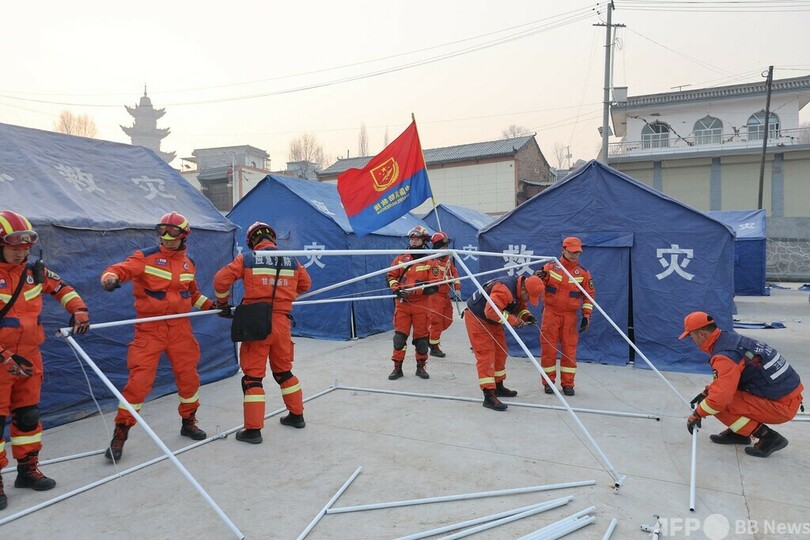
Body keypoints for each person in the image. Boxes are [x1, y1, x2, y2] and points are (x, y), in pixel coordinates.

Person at [100, 211, 215, 462]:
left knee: (189, 379)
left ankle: (188, 421)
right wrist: (110, 278)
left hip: (180, 329)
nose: (166, 237)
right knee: (138, 383)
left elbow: (193, 294)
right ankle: (121, 433)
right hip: (149, 330)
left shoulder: (189, 264)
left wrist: (215, 306)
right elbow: (119, 269)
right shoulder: (145, 257)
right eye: (162, 230)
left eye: (172, 232)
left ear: (184, 235)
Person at [0, 210, 90, 510]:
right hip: (1, 360)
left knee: (28, 416)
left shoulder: (33, 272)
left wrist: (78, 309)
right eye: (14, 246)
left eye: (25, 247)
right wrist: (4, 357)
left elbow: (63, 288)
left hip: (30, 357)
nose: (21, 252)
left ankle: (27, 470)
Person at [213, 222, 311, 444]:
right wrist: (286, 294)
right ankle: (297, 416)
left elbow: (220, 279)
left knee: (253, 378)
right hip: (282, 324)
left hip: (256, 325)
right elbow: (306, 284)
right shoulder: (292, 261)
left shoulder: (248, 258)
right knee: (284, 372)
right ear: (273, 239)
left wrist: (222, 303)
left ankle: (253, 431)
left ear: (252, 241)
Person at [681, 311, 803, 458]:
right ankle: (740, 433)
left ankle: (769, 437)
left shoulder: (724, 355)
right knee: (714, 397)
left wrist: (698, 413)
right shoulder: (729, 340)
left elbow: (720, 398)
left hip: (782, 405)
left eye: (691, 336)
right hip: (786, 396)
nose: (691, 340)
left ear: (701, 334)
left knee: (717, 405)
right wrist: (706, 393)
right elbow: (729, 380)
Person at [465, 275, 544, 411]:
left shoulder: (518, 289)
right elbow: (490, 311)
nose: (529, 301)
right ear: (524, 289)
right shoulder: (504, 289)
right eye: (529, 297)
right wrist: (514, 321)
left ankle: (498, 386)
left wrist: (526, 316)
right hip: (478, 319)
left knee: (501, 352)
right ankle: (489, 395)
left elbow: (519, 306)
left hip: (493, 321)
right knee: (486, 356)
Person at [536, 236, 595, 396]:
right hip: (550, 314)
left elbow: (589, 295)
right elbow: (537, 286)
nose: (574, 255)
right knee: (549, 350)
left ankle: (568, 384)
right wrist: (537, 278)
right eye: (571, 252)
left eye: (577, 253)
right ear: (563, 250)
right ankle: (548, 383)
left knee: (569, 351)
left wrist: (586, 315)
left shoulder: (583, 273)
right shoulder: (550, 267)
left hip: (570, 317)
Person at [386, 226, 440, 380]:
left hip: (421, 306)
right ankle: (397, 367)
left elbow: (434, 286)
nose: (413, 242)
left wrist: (414, 291)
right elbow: (390, 276)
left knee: (422, 340)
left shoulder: (430, 261)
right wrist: (396, 290)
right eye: (411, 239)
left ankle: (421, 367)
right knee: (399, 338)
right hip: (402, 305)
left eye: (416, 239)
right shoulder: (401, 259)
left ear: (423, 241)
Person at [427, 232, 462, 358]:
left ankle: (429, 336)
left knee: (447, 320)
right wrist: (449, 278)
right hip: (435, 296)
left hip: (445, 295)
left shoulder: (448, 259)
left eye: (446, 245)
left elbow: (454, 272)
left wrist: (457, 287)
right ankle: (434, 347)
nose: (445, 248)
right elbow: (435, 279)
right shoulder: (432, 261)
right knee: (436, 321)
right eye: (443, 246)